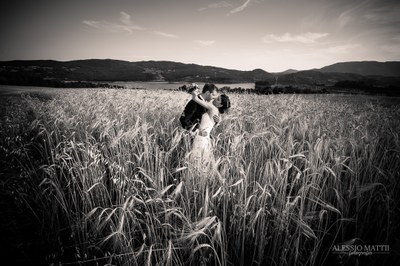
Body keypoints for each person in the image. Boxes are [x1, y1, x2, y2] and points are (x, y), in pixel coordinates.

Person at [186, 88, 231, 172]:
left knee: (197, 161)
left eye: (218, 99)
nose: (215, 99)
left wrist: (194, 92)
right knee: (202, 161)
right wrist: (214, 97)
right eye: (216, 97)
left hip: (201, 137)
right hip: (204, 138)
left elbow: (195, 99)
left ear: (220, 105)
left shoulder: (213, 109)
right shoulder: (215, 111)